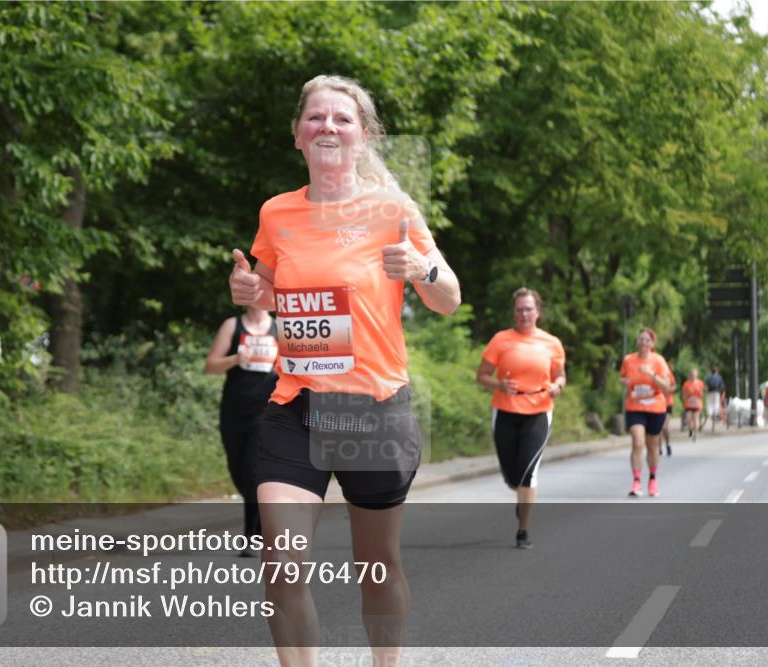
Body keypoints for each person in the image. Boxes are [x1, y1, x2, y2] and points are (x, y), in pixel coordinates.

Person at [229, 74, 461, 667]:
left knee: (377, 569)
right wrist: (250, 290)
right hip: (296, 407)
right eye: (315, 117)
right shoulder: (277, 213)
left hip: (372, 411)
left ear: (363, 135)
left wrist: (422, 269)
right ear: (297, 135)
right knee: (282, 566)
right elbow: (273, 292)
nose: (327, 126)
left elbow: (449, 298)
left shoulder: (392, 210)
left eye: (342, 118)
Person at [476, 288, 566, 550]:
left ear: (537, 312)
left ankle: (522, 530)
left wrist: (557, 386)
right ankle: (520, 493)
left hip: (539, 410)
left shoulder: (551, 343)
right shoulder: (501, 340)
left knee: (528, 472)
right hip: (505, 410)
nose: (524, 314)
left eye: (528, 309)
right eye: (519, 310)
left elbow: (560, 375)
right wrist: (499, 385)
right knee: (512, 475)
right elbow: (481, 376)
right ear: (514, 313)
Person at [205, 306, 279, 555]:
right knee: (238, 470)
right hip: (234, 410)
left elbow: (294, 366)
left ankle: (252, 537)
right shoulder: (232, 325)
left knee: (253, 471)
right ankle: (260, 522)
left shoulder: (280, 328)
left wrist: (279, 367)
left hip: (265, 409)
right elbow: (211, 366)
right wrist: (236, 359)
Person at [620, 328, 672, 497]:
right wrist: (625, 382)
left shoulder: (658, 361)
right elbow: (623, 378)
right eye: (641, 339)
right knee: (637, 442)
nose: (643, 342)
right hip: (635, 406)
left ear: (652, 344)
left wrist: (651, 374)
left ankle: (652, 479)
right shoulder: (629, 360)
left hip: (655, 407)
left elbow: (666, 386)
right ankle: (636, 481)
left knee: (652, 446)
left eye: (647, 340)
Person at [681, 368, 705, 441]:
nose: (693, 376)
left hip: (697, 404)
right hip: (688, 404)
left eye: (694, 374)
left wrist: (699, 391)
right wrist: (688, 394)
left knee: (695, 419)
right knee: (688, 419)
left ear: (697, 375)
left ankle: (695, 434)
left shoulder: (700, 383)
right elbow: (683, 396)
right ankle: (690, 429)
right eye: (692, 374)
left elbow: (702, 395)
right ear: (690, 375)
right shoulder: (686, 383)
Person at [660, 364, 677, 457]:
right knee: (658, 427)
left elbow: (674, 386)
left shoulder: (669, 374)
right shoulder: (654, 373)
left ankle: (667, 444)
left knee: (664, 427)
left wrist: (669, 389)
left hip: (668, 403)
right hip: (657, 404)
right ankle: (658, 447)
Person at [704, 366, 725, 432]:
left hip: (709, 392)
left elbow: (706, 385)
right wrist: (722, 393)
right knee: (716, 404)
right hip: (716, 392)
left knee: (709, 404)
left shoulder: (708, 377)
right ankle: (715, 415)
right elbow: (722, 386)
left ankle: (710, 414)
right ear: (717, 371)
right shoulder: (719, 377)